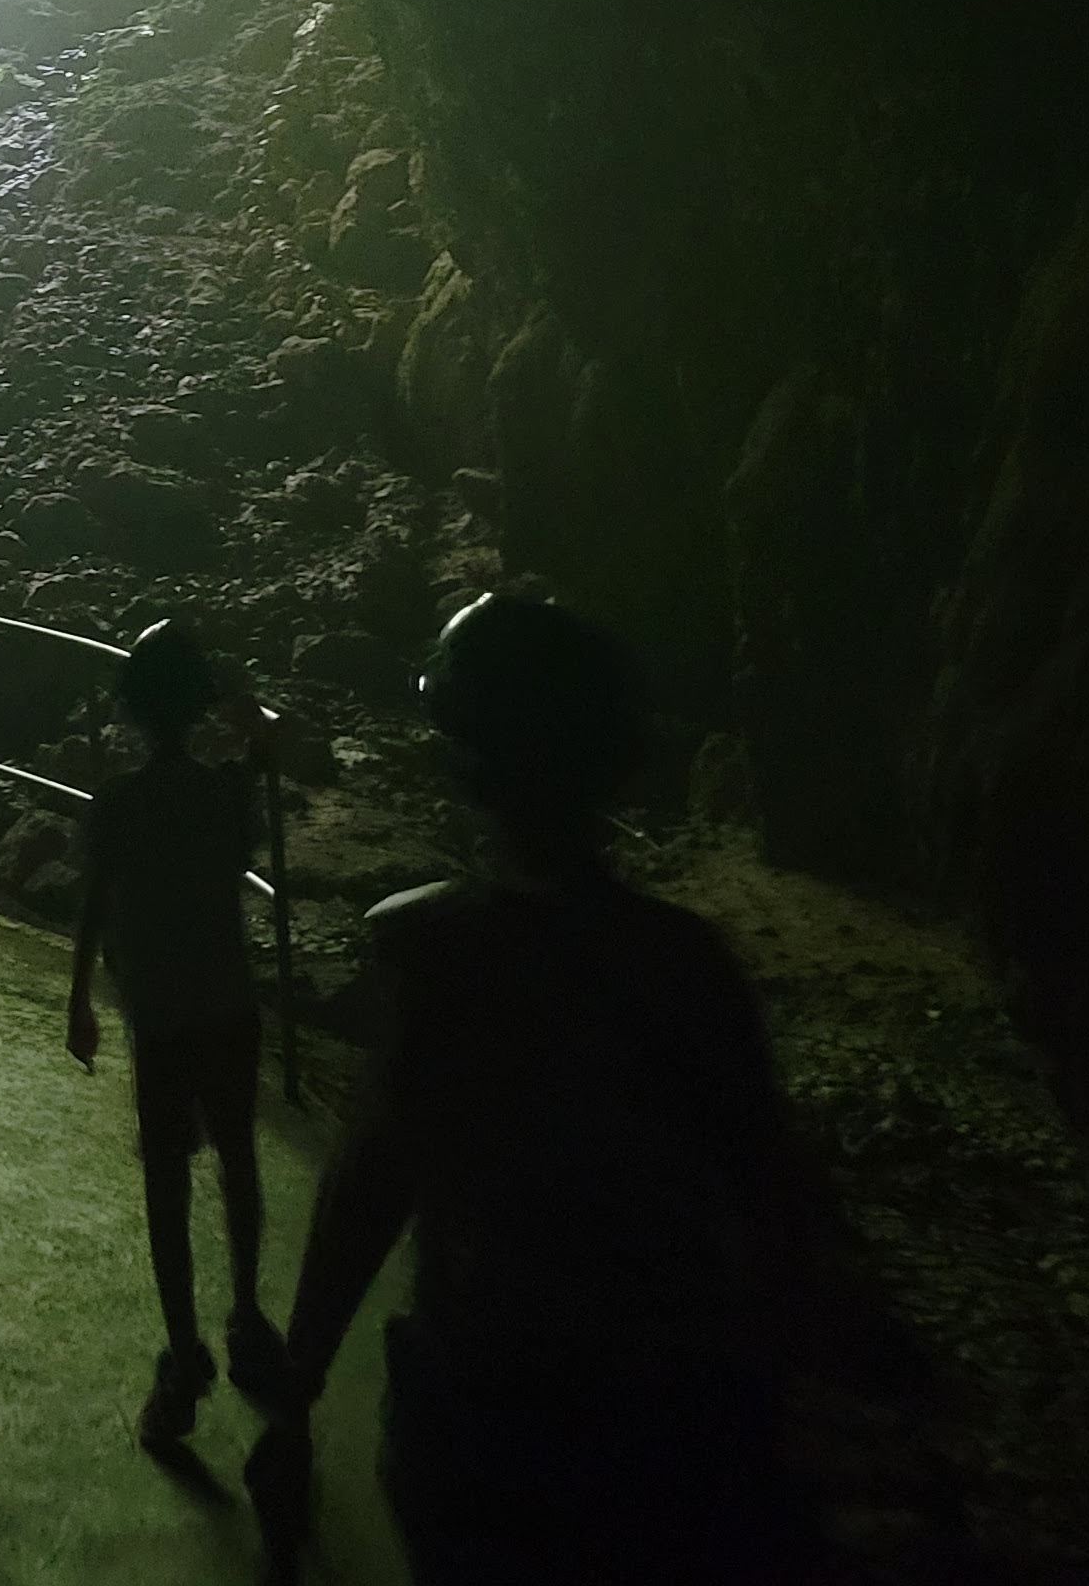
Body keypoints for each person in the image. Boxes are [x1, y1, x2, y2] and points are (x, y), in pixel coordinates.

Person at [249, 593, 824, 1585]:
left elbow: (373, 1176)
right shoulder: (689, 965)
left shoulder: (435, 952)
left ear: (461, 758)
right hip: (672, 1428)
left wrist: (300, 1384)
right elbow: (769, 1205)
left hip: (487, 1419)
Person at [68, 618, 292, 1446]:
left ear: (130, 710)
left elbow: (95, 900)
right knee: (237, 1152)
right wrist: (232, 696)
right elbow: (268, 739)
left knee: (167, 1174)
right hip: (226, 999)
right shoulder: (222, 794)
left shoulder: (118, 802)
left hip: (160, 1008)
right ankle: (244, 1311)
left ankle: (183, 1348)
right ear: (194, 708)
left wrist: (78, 999)